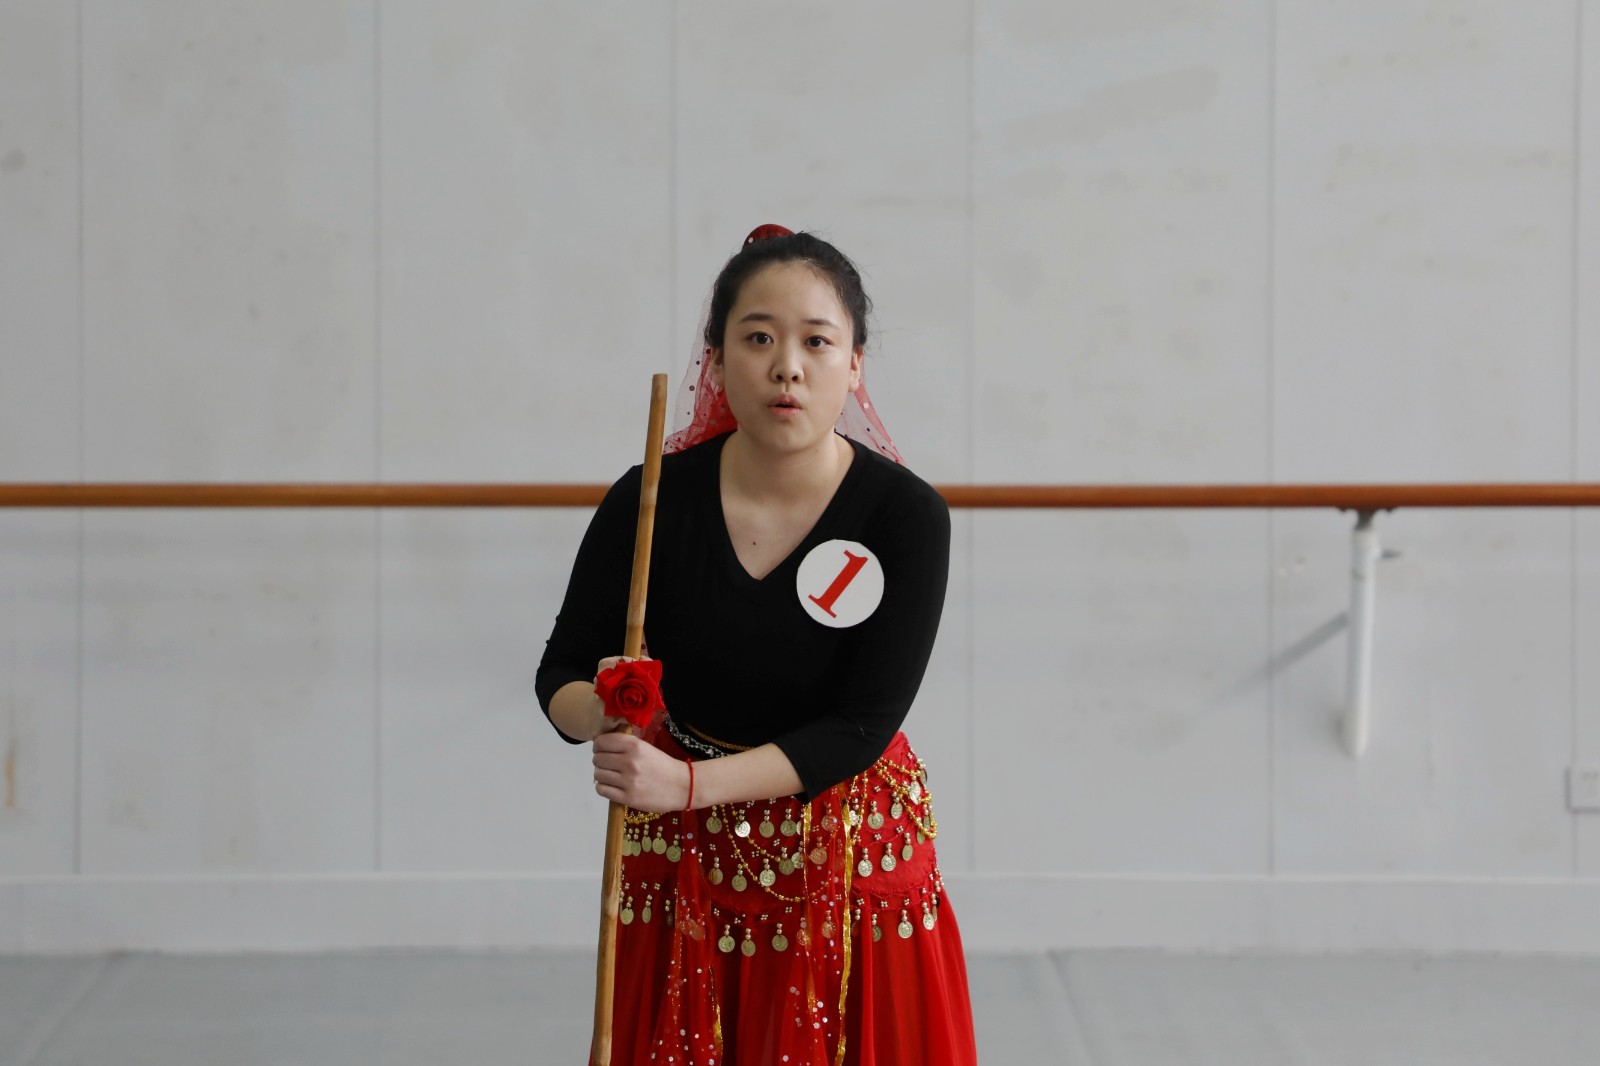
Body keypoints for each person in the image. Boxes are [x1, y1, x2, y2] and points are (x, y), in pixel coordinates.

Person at [537, 225, 977, 1065]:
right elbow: (561, 670)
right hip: (682, 849)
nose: (788, 367)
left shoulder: (905, 516)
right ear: (716, 360)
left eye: (817, 341)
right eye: (759, 338)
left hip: (842, 840)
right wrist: (602, 710)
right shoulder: (651, 497)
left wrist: (686, 786)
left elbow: (862, 724)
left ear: (855, 366)